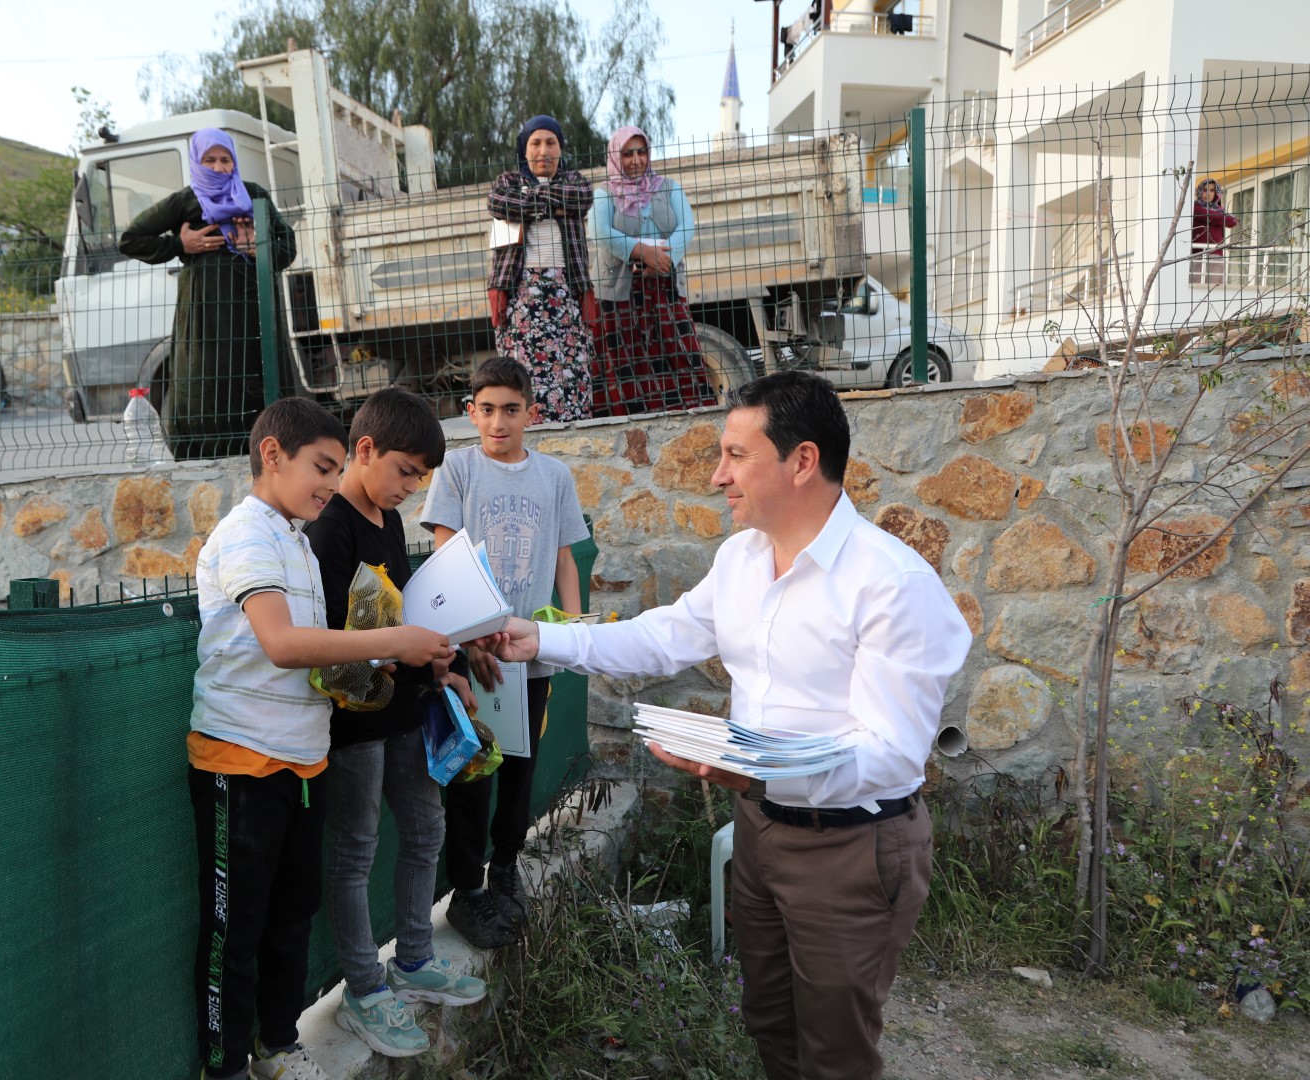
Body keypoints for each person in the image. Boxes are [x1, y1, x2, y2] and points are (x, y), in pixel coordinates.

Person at [482, 370, 973, 1080]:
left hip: (852, 849)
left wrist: (763, 768)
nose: (717, 476)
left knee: (835, 1051)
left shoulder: (890, 584)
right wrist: (544, 639)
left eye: (737, 455)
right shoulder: (741, 558)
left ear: (802, 461)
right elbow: (664, 637)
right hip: (761, 830)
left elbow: (892, 755)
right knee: (770, 1020)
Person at [187, 396, 454, 1080]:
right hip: (240, 763)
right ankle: (225, 1068)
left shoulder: (297, 540)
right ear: (272, 455)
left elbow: (319, 651)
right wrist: (390, 638)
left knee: (292, 918)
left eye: (336, 471)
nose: (331, 485)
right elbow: (280, 643)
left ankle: (277, 1045)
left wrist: (375, 660)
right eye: (322, 467)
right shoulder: (247, 535)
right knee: (236, 931)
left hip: (303, 763)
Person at [300, 388, 489, 1058]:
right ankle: (363, 989)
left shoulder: (383, 516)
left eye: (421, 477)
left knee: (427, 826)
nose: (413, 487)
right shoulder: (331, 529)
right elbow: (329, 640)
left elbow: (400, 613)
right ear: (366, 450)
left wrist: (440, 665)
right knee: (355, 851)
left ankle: (413, 957)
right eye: (407, 471)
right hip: (353, 723)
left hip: (405, 710)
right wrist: (400, 647)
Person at [420, 356, 590, 948]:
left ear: (530, 414)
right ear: (471, 413)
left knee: (519, 768)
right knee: (473, 772)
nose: (498, 422)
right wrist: (469, 640)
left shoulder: (554, 478)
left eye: (511, 410)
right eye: (486, 410)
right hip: (473, 655)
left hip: (531, 654)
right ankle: (467, 889)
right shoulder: (457, 470)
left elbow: (567, 560)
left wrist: (570, 634)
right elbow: (446, 564)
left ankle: (506, 869)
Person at [120, 128, 296, 461]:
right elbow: (131, 239)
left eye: (225, 159)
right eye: (210, 160)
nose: (218, 167)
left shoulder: (254, 196)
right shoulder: (186, 201)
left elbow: (288, 248)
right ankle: (204, 458)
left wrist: (257, 247)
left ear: (234, 162)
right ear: (197, 163)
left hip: (253, 313)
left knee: (259, 383)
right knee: (204, 386)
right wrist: (180, 245)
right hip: (204, 319)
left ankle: (267, 455)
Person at [588, 125, 717, 417]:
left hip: (665, 287)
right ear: (615, 157)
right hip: (618, 295)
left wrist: (663, 260)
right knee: (624, 363)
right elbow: (599, 231)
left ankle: (686, 422)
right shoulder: (604, 194)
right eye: (628, 153)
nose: (636, 160)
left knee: (680, 356)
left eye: (642, 152)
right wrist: (641, 252)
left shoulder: (669, 188)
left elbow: (686, 226)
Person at [486, 115, 596, 424]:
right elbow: (498, 202)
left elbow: (583, 198)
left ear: (560, 148)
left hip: (567, 289)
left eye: (551, 143)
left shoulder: (574, 181)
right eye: (535, 143)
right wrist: (554, 204)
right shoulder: (507, 182)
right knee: (523, 371)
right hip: (522, 293)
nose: (543, 151)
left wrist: (528, 203)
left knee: (570, 368)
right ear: (524, 149)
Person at [1190, 176, 1236, 286]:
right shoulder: (1194, 207)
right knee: (1195, 288)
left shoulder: (1220, 209)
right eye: (1205, 190)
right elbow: (1201, 213)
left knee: (1213, 289)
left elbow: (1232, 221)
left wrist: (1211, 217)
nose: (1208, 193)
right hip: (1198, 254)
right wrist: (1218, 218)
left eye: (1212, 190)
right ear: (1200, 192)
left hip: (1216, 254)